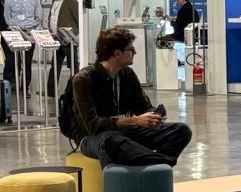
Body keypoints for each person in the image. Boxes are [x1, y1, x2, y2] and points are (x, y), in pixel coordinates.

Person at [72, 27, 193, 169]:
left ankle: (154, 165)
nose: (134, 52)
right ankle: (162, 163)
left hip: (124, 133)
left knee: (181, 131)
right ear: (117, 53)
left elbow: (144, 107)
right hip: (94, 137)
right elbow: (93, 126)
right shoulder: (83, 79)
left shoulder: (127, 74)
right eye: (130, 49)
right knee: (112, 141)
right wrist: (135, 120)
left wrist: (154, 116)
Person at [3, 0, 42, 94]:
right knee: (12, 62)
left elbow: (39, 17)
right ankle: (10, 86)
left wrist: (28, 26)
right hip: (14, 33)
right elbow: (7, 19)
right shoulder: (9, 0)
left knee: (27, 62)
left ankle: (25, 88)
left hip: (28, 33)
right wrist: (16, 27)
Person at [46, 0, 80, 97]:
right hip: (57, 39)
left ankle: (73, 90)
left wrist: (71, 34)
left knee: (73, 66)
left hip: (68, 40)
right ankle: (51, 91)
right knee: (55, 65)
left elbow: (79, 21)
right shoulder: (55, 1)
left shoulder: (72, 2)